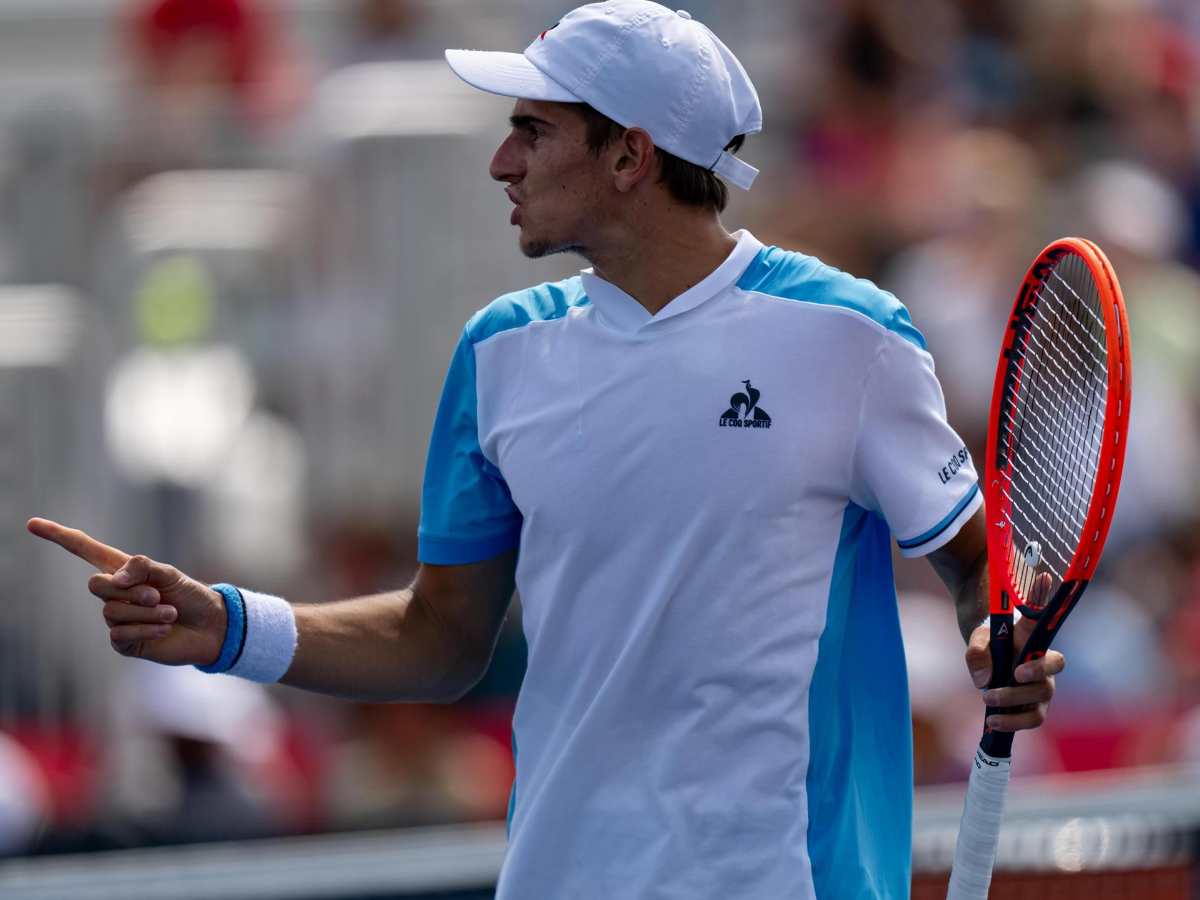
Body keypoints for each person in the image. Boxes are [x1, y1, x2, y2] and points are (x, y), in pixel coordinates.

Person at [29, 2, 1064, 897]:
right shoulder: (498, 353)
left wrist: (995, 633)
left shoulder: (853, 338)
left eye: (533, 129)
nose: (500, 160)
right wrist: (225, 627)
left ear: (630, 154)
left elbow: (979, 568)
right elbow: (440, 638)